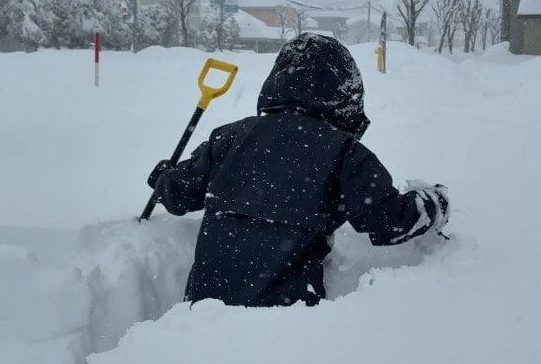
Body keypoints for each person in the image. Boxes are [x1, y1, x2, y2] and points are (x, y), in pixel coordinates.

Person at [147, 33, 449, 307]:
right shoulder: (345, 152)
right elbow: (387, 220)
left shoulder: (228, 138)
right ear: (346, 94)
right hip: (288, 324)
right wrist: (434, 204)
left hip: (202, 314)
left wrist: (164, 175)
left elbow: (178, 194)